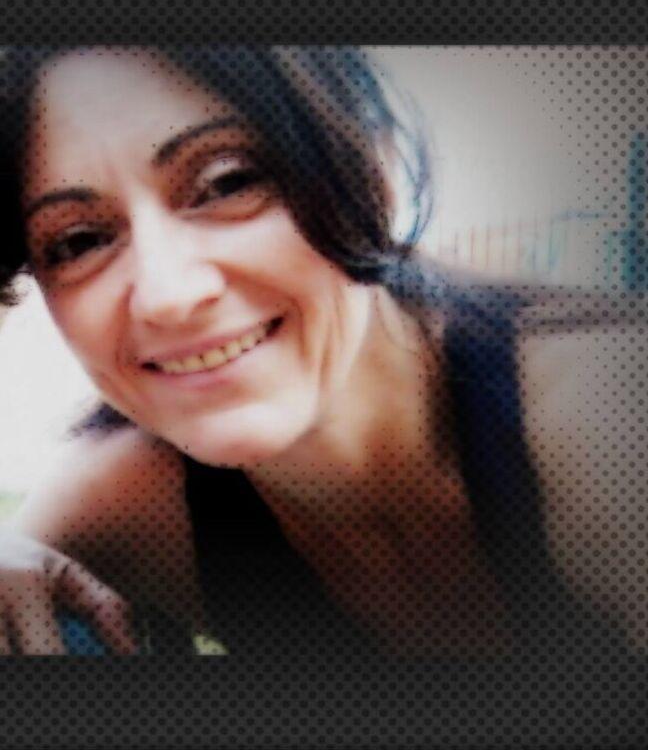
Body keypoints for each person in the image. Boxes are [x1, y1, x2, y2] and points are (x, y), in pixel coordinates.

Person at [0, 46, 631, 659]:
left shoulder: (606, 420)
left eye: (227, 182)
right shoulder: (126, 503)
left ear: (372, 171)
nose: (169, 295)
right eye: (78, 242)